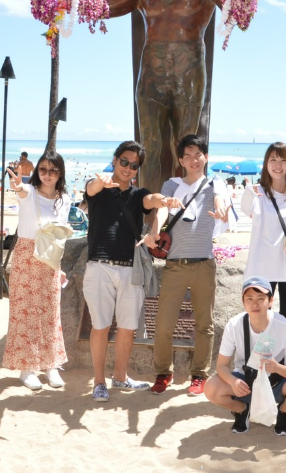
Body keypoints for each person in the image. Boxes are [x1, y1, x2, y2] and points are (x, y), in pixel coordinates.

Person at [100, 0, 228, 196]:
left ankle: (183, 211)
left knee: (186, 147)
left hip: (190, 68)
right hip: (152, 71)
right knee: (149, 146)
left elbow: (237, 13)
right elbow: (103, 7)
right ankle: (145, 212)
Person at [81, 141, 183, 402]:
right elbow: (91, 189)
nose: (127, 168)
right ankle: (99, 381)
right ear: (115, 160)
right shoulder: (99, 189)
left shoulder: (138, 195)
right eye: (124, 162)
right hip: (100, 266)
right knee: (101, 326)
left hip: (130, 268)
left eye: (134, 165)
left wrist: (165, 199)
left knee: (127, 327)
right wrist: (100, 182)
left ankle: (120, 376)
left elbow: (153, 200)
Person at [148, 134, 231, 396]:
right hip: (175, 265)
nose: (193, 160)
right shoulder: (172, 184)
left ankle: (199, 375)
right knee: (163, 324)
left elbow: (220, 199)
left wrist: (221, 209)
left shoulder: (215, 182)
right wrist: (154, 228)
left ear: (206, 157)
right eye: (188, 156)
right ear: (181, 160)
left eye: (198, 155)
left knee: (204, 324)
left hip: (204, 263)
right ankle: (163, 373)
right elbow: (163, 207)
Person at [204, 277, 286, 436]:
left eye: (261, 299)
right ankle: (242, 410)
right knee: (211, 387)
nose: (255, 304)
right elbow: (221, 365)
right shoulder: (234, 325)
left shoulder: (284, 327)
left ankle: (282, 413)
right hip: (244, 382)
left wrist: (276, 367)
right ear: (243, 302)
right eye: (249, 299)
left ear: (270, 301)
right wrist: (233, 382)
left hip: (274, 382)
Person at [2, 151, 72, 391]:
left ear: (60, 172)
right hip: (26, 254)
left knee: (50, 313)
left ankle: (51, 365)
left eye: (53, 170)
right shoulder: (29, 192)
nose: (48, 175)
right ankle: (27, 369)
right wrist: (18, 185)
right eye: (43, 170)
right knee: (24, 312)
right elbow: (21, 190)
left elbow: (60, 235)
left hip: (51, 257)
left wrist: (59, 266)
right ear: (37, 171)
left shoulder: (65, 199)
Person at [241, 142, 286, 335]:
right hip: (262, 266)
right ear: (266, 163)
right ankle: (260, 361)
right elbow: (246, 209)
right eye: (273, 160)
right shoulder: (257, 193)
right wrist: (249, 192)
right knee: (260, 316)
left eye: (282, 160)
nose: (277, 165)